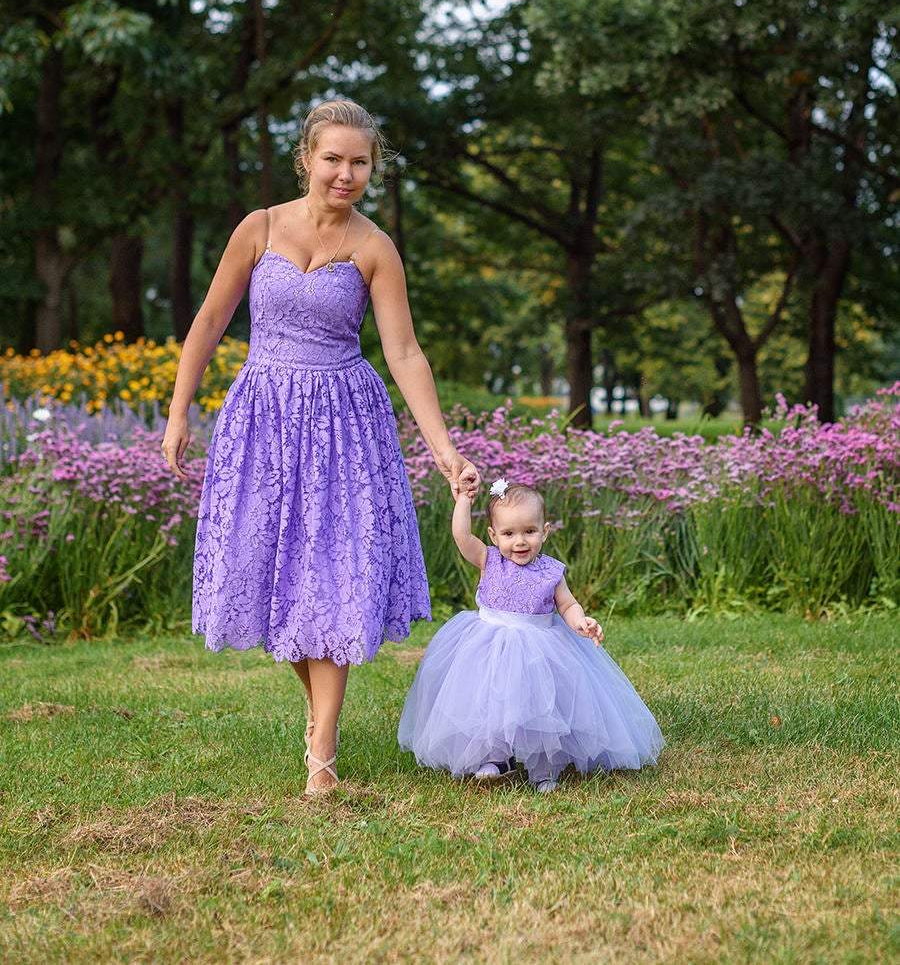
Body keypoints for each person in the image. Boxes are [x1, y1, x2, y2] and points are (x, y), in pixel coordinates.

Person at [161, 98, 478, 794]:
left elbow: (404, 351)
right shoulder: (259, 227)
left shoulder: (374, 248)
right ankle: (317, 718)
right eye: (332, 158)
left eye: (359, 162)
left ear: (374, 168)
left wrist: (444, 449)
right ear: (305, 158)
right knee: (277, 577)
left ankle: (323, 756)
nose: (345, 173)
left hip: (343, 426)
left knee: (329, 579)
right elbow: (211, 319)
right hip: (262, 421)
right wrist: (180, 412)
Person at [398, 478, 664, 792]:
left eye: (529, 531)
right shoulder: (489, 559)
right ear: (493, 535)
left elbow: (567, 604)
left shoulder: (551, 571)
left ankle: (544, 769)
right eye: (509, 534)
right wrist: (464, 502)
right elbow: (461, 535)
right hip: (489, 644)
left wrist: (581, 621)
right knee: (490, 703)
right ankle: (496, 757)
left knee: (540, 709)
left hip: (539, 648)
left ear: (545, 530)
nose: (520, 541)